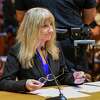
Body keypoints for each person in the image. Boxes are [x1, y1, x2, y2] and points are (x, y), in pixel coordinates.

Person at [0, 8, 87, 93]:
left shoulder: (56, 47)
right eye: (45, 26)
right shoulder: (17, 50)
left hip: (55, 96)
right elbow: (4, 82)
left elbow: (62, 75)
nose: (52, 30)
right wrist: (24, 84)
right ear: (32, 28)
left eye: (51, 25)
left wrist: (74, 78)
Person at [15, 0, 96, 74]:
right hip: (70, 40)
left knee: (39, 81)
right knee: (75, 80)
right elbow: (89, 17)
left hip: (40, 40)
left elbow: (21, 17)